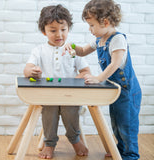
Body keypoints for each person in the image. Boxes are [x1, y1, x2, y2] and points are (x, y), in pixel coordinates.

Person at [63, 0, 142, 160]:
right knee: (117, 123)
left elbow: (115, 63)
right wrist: (71, 47)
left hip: (127, 91)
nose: (90, 29)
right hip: (116, 90)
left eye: (91, 25)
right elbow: (83, 51)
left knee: (126, 124)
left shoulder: (117, 39)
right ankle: (120, 150)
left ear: (105, 22)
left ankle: (130, 155)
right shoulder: (100, 39)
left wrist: (98, 78)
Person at [24, 4, 90, 159]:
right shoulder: (39, 50)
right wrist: (31, 71)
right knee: (49, 113)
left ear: (68, 29)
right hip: (49, 96)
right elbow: (27, 69)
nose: (59, 34)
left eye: (63, 29)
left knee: (70, 112)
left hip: (69, 96)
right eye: (53, 30)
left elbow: (86, 72)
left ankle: (75, 139)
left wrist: (74, 81)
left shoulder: (73, 49)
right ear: (44, 31)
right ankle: (49, 144)